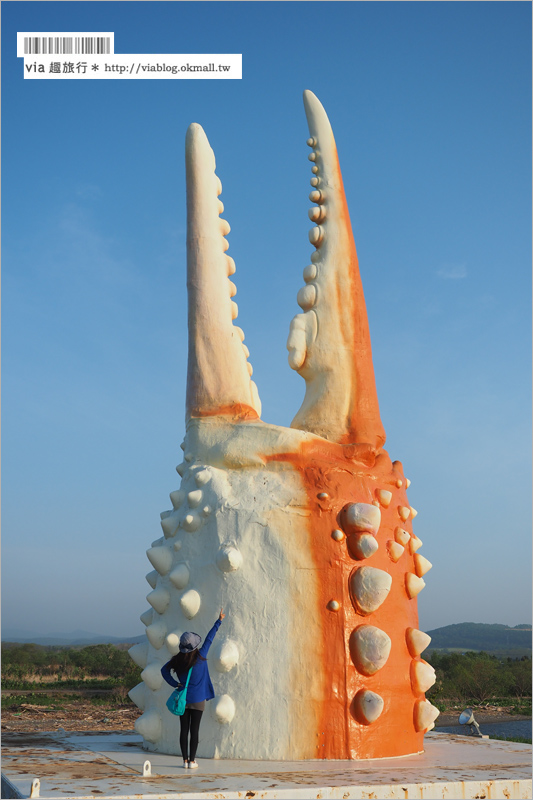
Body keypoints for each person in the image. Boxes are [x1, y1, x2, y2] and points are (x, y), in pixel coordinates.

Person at [161, 609, 225, 769]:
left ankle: (183, 761)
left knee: (184, 730)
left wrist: (175, 684)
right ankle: (192, 761)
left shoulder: (177, 660)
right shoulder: (201, 656)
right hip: (198, 700)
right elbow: (210, 638)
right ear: (195, 645)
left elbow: (164, 671)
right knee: (194, 731)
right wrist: (219, 620)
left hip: (183, 698)